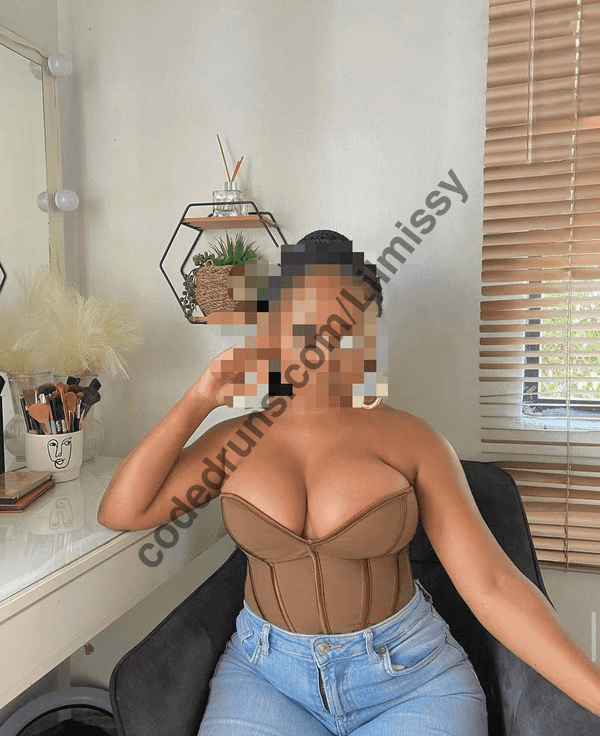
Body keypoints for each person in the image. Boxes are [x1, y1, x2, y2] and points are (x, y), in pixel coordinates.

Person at [98, 230, 600, 734]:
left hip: (410, 678)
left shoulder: (414, 441)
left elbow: (494, 586)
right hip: (265, 676)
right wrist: (201, 397)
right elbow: (123, 509)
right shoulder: (236, 441)